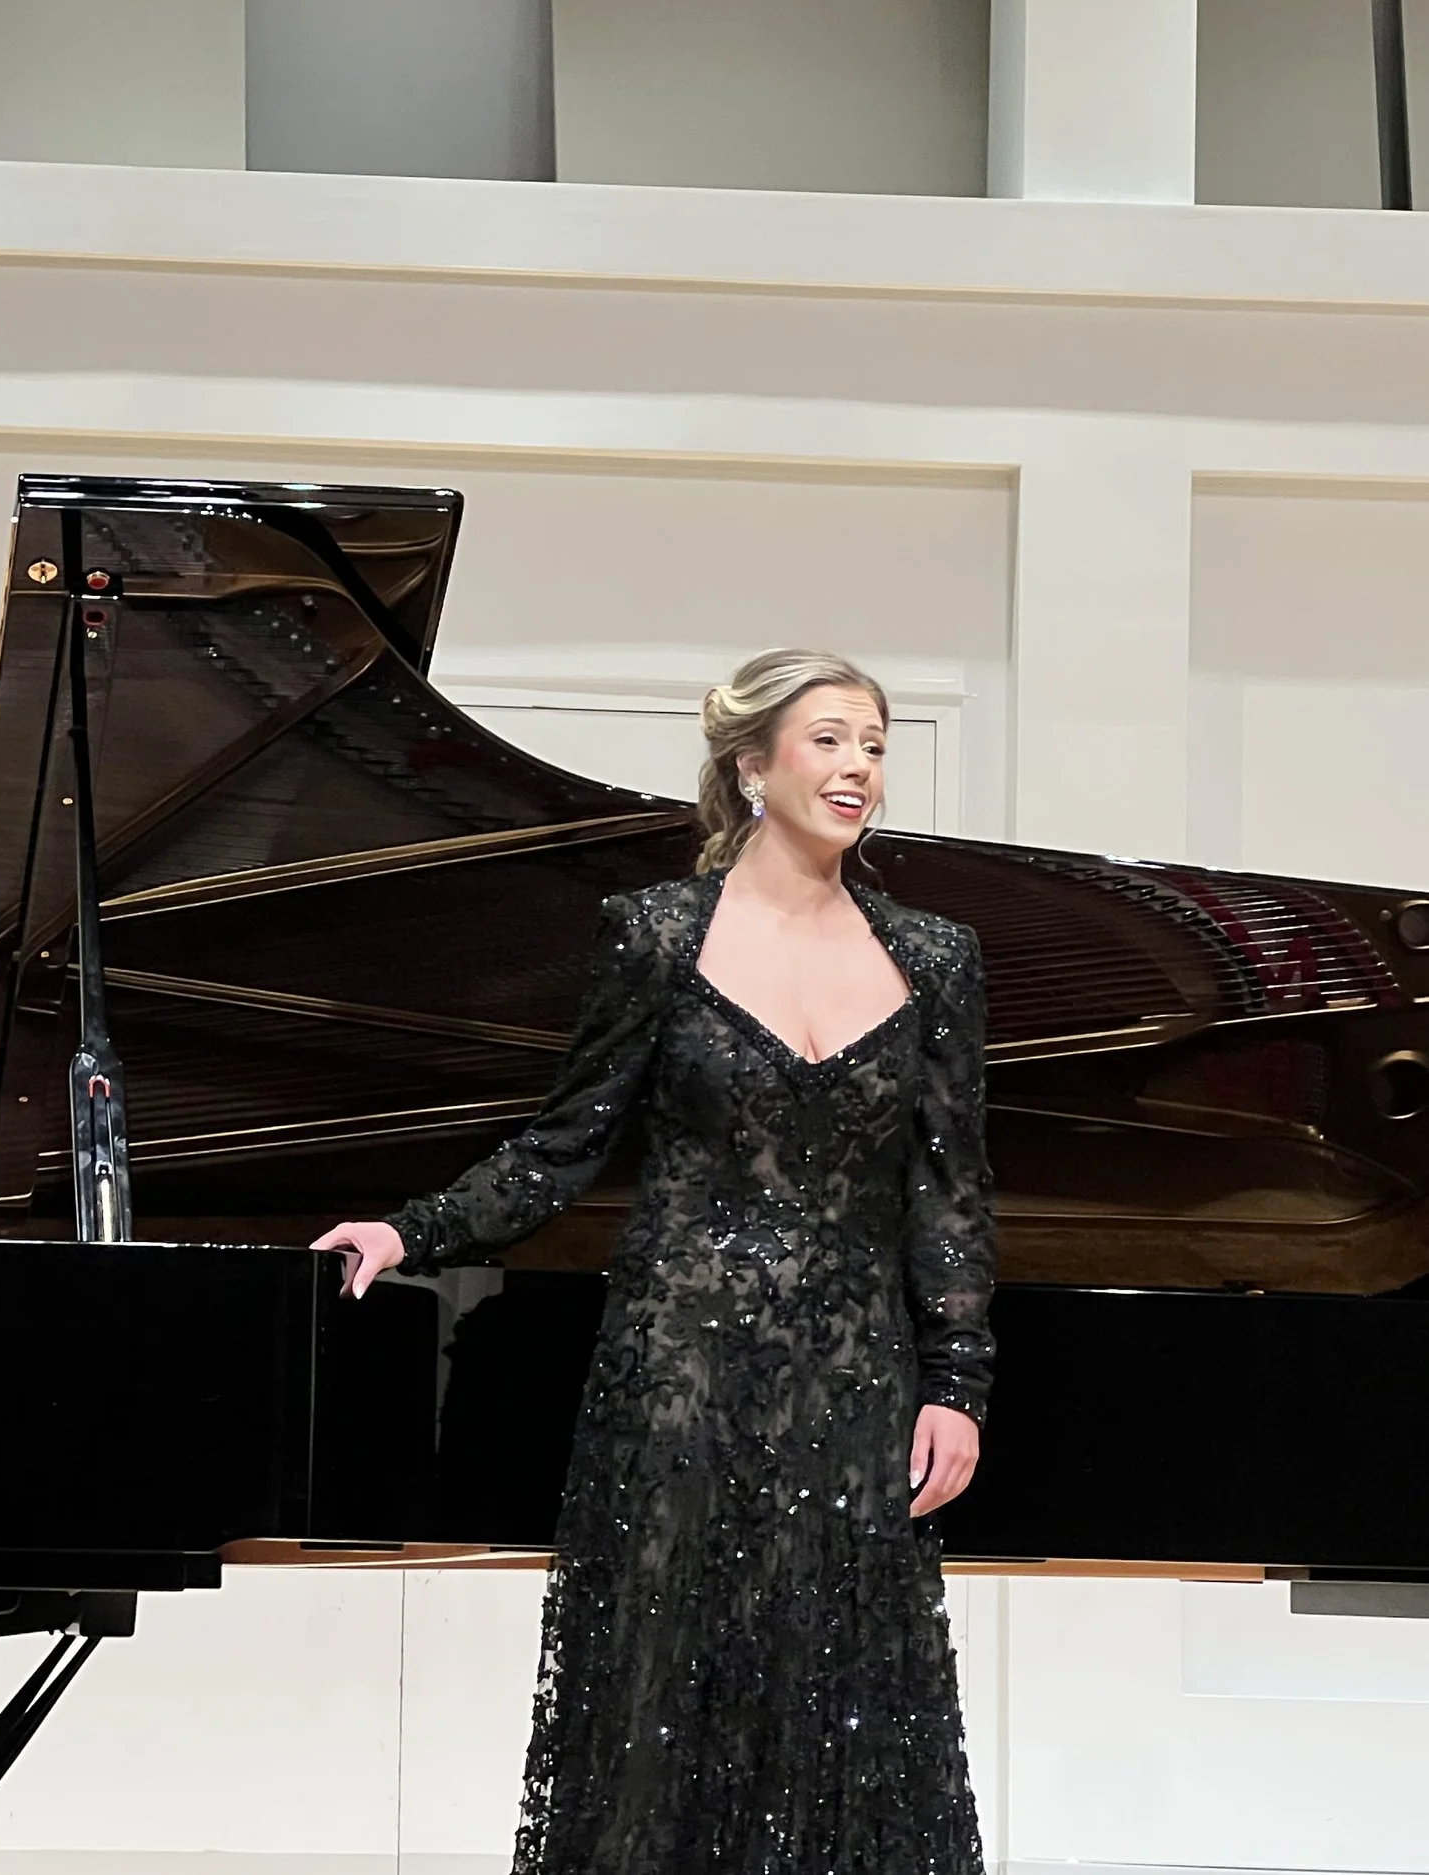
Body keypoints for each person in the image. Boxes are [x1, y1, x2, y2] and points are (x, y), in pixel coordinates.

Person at [315, 649, 993, 1874]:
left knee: (841, 1699)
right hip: (677, 1372)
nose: (858, 768)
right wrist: (411, 1229)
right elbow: (561, 1147)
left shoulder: (934, 957)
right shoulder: (655, 935)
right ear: (752, 766)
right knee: (656, 1692)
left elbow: (948, 1197)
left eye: (875, 745)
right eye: (830, 740)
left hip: (853, 1380)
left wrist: (956, 1384)